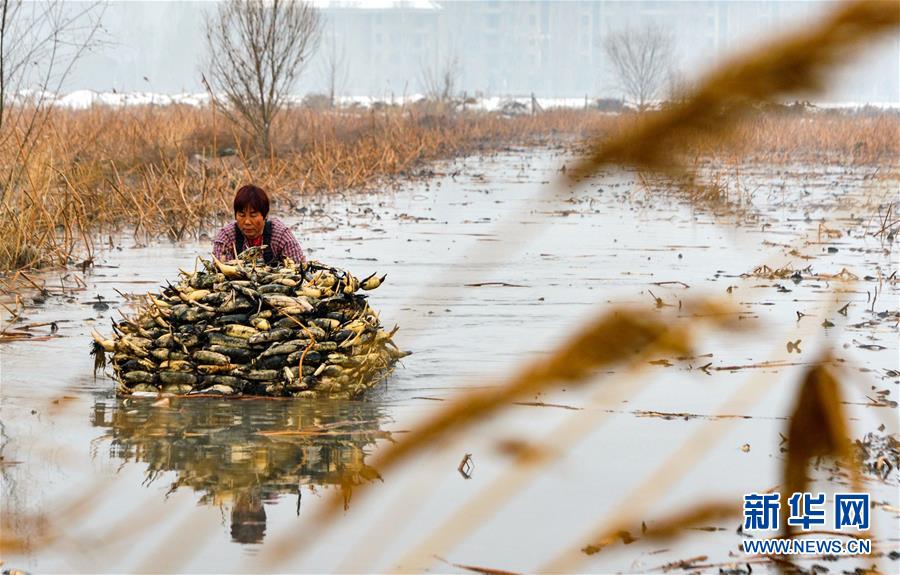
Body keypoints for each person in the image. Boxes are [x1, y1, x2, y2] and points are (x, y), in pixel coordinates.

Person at [212, 184, 306, 265]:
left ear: (265, 215)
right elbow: (219, 270)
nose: (247, 222)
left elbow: (299, 267)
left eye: (253, 215)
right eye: (242, 215)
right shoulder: (226, 237)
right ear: (235, 215)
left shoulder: (281, 235)